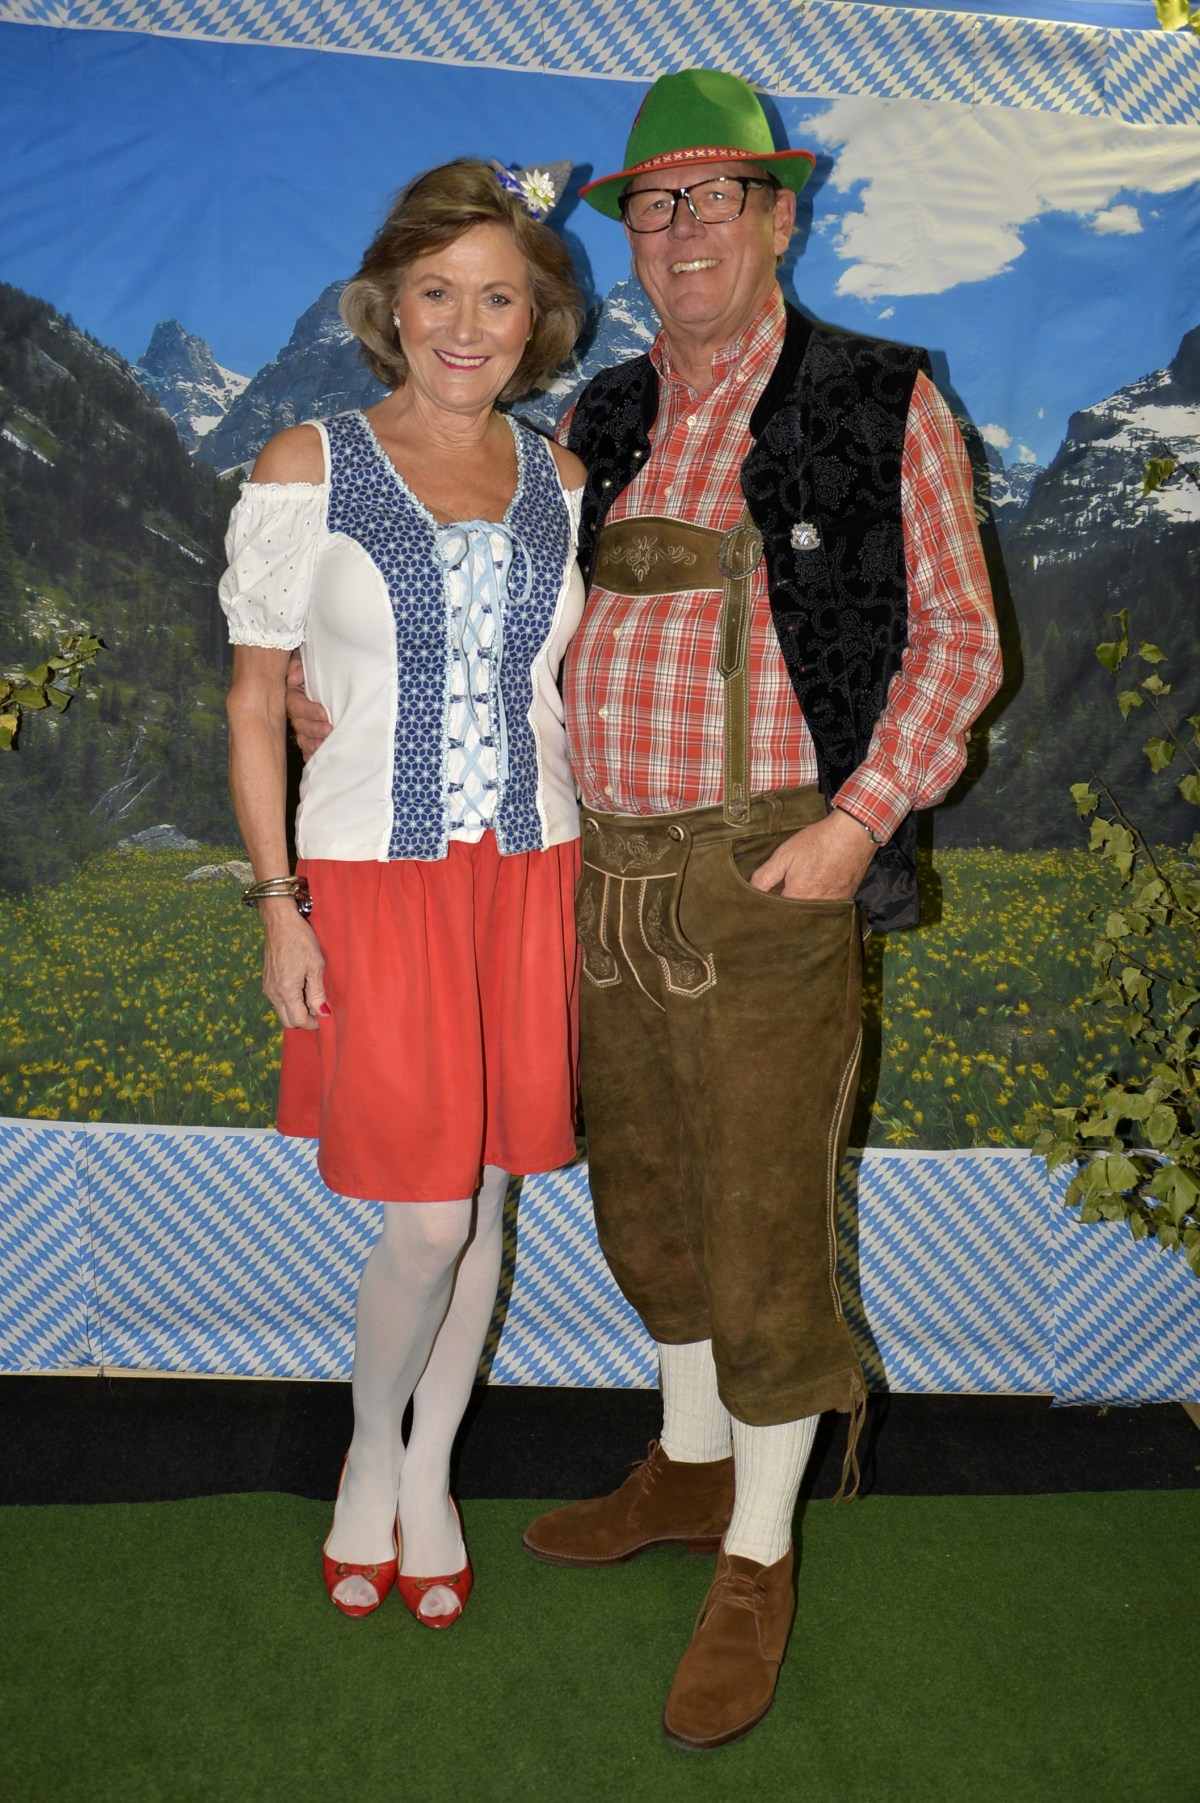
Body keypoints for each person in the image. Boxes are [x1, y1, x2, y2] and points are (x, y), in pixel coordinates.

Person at [287, 71, 1003, 1745]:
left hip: (766, 871)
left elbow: (959, 639)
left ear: (778, 217)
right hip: (585, 868)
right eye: (653, 204)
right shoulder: (594, 420)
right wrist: (345, 707)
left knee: (760, 1219)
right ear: (629, 235)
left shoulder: (877, 397)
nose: (681, 231)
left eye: (714, 198)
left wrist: (857, 824)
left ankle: (759, 1551)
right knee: (647, 1203)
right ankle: (686, 1463)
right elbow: (465, 609)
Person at [221, 158, 586, 1629]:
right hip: (379, 878)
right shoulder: (304, 464)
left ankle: (429, 1472)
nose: (466, 325)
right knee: (429, 1217)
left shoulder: (565, 483)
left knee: (484, 1194)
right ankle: (370, 1450)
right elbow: (255, 701)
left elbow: (555, 695)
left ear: (536, 319)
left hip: (532, 873)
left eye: (498, 297)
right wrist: (278, 901)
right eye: (439, 292)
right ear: (389, 305)